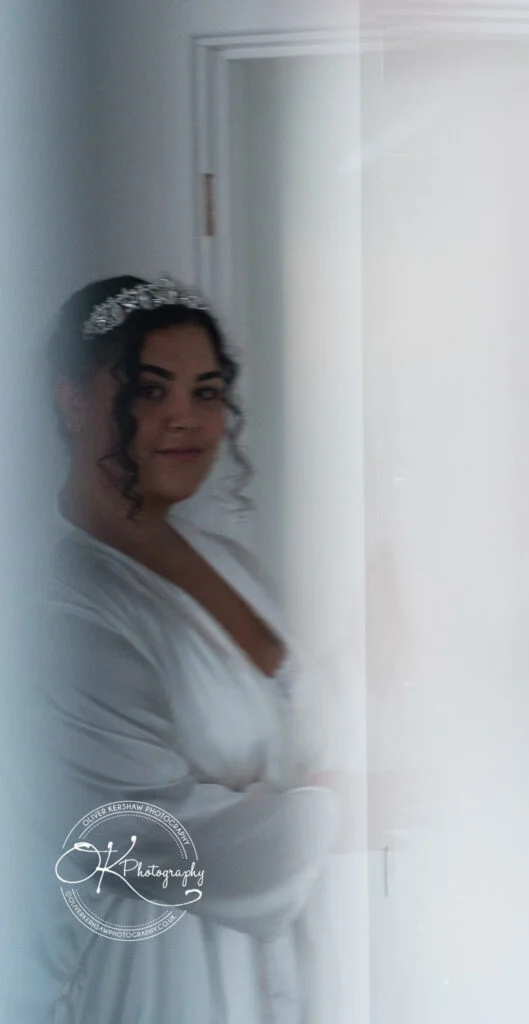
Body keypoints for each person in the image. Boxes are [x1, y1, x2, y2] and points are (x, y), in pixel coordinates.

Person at [25, 276, 357, 1024]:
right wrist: (334, 812)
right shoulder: (59, 611)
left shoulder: (234, 566)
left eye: (206, 393)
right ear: (73, 401)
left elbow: (287, 736)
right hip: (157, 982)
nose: (185, 419)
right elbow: (142, 845)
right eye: (150, 390)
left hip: (282, 972)